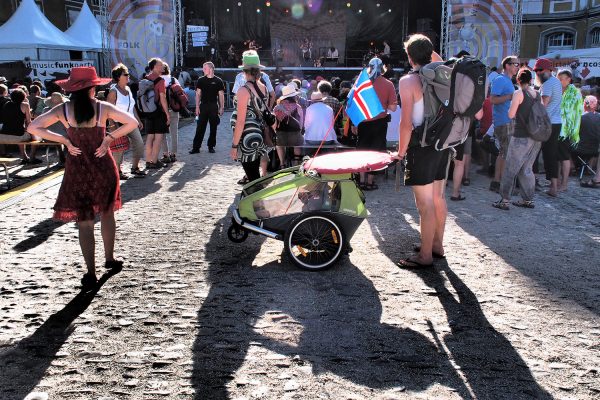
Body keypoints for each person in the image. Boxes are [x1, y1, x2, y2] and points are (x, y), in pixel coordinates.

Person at [27, 66, 138, 290]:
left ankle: (90, 272)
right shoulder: (102, 107)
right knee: (108, 214)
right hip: (103, 166)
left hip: (78, 168)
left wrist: (64, 140)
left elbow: (33, 126)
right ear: (92, 89)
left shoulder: (63, 110)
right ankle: (110, 259)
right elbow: (132, 123)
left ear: (72, 89)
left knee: (84, 223)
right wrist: (108, 138)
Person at [396, 34, 481, 268]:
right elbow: (437, 59)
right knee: (438, 198)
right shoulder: (445, 75)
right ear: (430, 52)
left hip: (421, 147)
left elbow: (405, 124)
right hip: (443, 144)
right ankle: (436, 245)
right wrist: (427, 51)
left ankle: (424, 256)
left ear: (409, 56)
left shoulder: (407, 81)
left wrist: (401, 153)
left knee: (425, 205)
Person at [492, 68, 543, 210]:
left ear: (518, 80)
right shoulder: (537, 94)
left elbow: (511, 114)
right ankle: (528, 200)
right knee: (527, 168)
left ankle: (505, 200)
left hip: (521, 135)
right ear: (531, 79)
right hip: (536, 136)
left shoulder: (518, 93)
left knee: (510, 168)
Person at [354, 57, 397, 190]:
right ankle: (370, 182)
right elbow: (393, 108)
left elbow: (355, 104)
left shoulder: (362, 83)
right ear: (382, 68)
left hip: (363, 122)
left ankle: (361, 180)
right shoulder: (389, 84)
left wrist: (354, 124)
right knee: (375, 150)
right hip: (380, 123)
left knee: (362, 150)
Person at [230, 51, 270, 182]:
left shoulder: (243, 90)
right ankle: (257, 200)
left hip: (247, 137)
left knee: (253, 178)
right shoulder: (263, 88)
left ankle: (257, 201)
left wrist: (234, 146)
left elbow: (241, 121)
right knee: (254, 176)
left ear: (244, 71)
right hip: (258, 134)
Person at [106, 63, 146, 178]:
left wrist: (138, 120)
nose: (128, 76)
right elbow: (108, 109)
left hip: (130, 122)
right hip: (118, 123)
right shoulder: (113, 92)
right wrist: (112, 125)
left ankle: (135, 167)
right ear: (118, 77)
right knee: (119, 148)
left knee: (139, 144)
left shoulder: (128, 89)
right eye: (126, 74)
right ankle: (117, 171)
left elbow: (132, 106)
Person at [489, 55, 519, 192]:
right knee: (507, 154)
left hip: (506, 121)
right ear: (507, 65)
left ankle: (497, 182)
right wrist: (510, 97)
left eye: (518, 64)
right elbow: (493, 100)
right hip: (504, 121)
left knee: (503, 153)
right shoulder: (501, 80)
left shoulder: (507, 80)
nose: (518, 67)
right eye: (515, 64)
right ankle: (503, 185)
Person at [534, 58, 563, 197]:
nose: (537, 73)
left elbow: (543, 104)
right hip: (556, 122)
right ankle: (554, 186)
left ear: (547, 70)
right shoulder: (556, 82)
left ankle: (533, 180)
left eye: (540, 70)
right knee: (551, 154)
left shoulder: (547, 84)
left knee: (534, 152)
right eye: (536, 71)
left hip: (546, 123)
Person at [557, 69, 583, 192]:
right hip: (555, 126)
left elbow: (577, 113)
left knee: (564, 157)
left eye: (562, 78)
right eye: (558, 78)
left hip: (566, 130)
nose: (560, 81)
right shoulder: (558, 90)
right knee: (555, 156)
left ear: (569, 79)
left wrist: (574, 132)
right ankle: (555, 181)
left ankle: (564, 184)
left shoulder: (575, 93)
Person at [190, 62, 224, 154]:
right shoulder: (201, 80)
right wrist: (197, 106)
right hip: (203, 105)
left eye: (204, 68)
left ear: (211, 69)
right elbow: (198, 94)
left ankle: (211, 146)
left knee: (213, 127)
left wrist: (221, 107)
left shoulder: (218, 81)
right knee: (200, 127)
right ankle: (196, 148)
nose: (203, 70)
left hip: (213, 106)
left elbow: (221, 95)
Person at [0, 88, 40, 164]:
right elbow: (29, 122)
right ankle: (32, 157)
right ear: (23, 97)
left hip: (4, 133)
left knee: (21, 131)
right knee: (36, 136)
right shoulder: (25, 105)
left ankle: (24, 157)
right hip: (18, 135)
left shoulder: (6, 104)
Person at [143, 58, 170, 169]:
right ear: (154, 67)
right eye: (160, 65)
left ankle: (148, 161)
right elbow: (162, 98)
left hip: (147, 111)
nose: (162, 67)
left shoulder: (145, 79)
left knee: (150, 137)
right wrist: (167, 114)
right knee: (158, 137)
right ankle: (154, 161)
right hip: (158, 112)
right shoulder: (160, 80)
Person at [273, 83, 304, 167]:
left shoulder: (277, 107)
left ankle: (282, 163)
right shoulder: (297, 106)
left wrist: (275, 131)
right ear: (294, 96)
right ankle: (297, 164)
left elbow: (274, 122)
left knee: (279, 146)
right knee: (297, 145)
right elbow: (301, 121)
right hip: (294, 132)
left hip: (281, 132)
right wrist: (300, 130)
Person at [577, 96, 600, 188]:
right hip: (595, 150)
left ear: (584, 104)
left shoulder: (580, 117)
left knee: (565, 144)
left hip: (579, 149)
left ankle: (571, 166)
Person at [160, 62, 180, 162]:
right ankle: (174, 154)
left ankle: (165, 154)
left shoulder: (158, 80)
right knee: (174, 133)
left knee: (163, 133)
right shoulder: (173, 79)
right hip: (174, 109)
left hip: (162, 110)